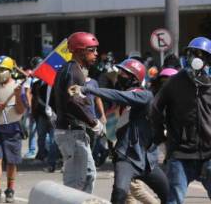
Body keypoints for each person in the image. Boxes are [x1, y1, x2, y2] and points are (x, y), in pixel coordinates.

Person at [71, 58, 169, 203]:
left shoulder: (144, 95)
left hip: (148, 161)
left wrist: (88, 89)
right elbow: (114, 125)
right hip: (126, 158)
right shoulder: (123, 103)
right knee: (119, 194)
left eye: (124, 74)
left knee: (169, 195)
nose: (119, 76)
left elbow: (119, 95)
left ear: (134, 78)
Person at [151, 37, 211, 204]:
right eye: (192, 54)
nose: (196, 58)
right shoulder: (175, 82)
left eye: (201, 55)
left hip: (209, 154)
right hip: (180, 154)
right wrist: (160, 138)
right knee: (174, 200)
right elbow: (155, 108)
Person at [52, 32, 104, 194]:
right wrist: (93, 122)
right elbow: (73, 102)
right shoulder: (74, 72)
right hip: (72, 133)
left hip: (71, 131)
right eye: (92, 50)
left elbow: (55, 102)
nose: (96, 54)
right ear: (80, 51)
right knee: (76, 182)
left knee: (88, 175)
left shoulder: (69, 70)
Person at [0, 56, 28, 203]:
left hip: (13, 128)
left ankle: (10, 189)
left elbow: (21, 110)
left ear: (10, 71)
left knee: (11, 161)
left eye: (3, 70)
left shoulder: (17, 86)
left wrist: (17, 96)